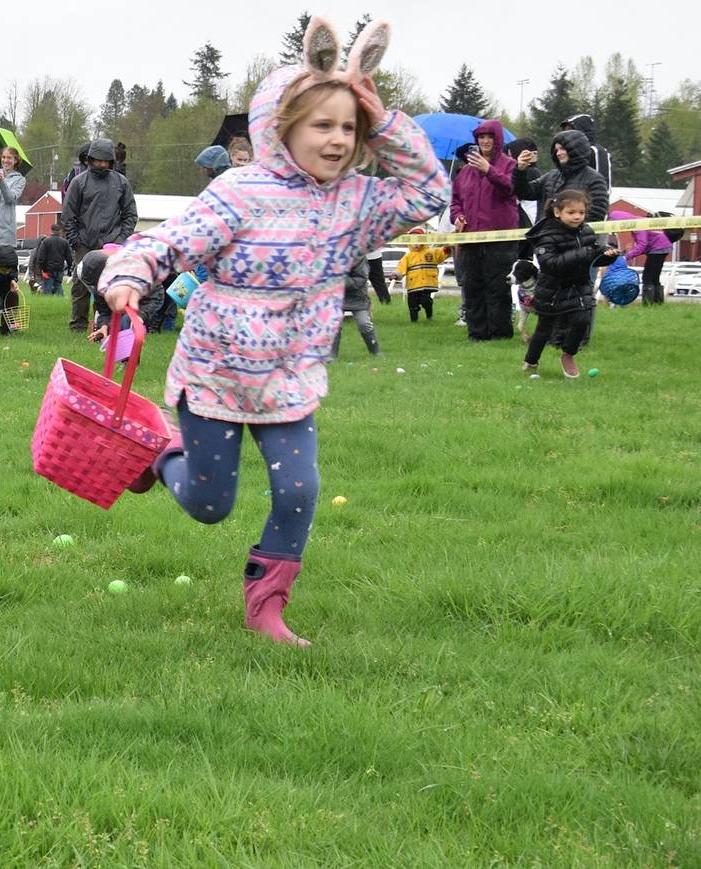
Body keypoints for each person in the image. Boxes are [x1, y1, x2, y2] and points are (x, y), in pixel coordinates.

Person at [98, 19, 447, 646]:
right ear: (281, 129)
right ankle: (159, 450)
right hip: (217, 374)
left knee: (298, 490)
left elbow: (429, 191)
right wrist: (128, 274)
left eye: (349, 127)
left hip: (290, 379)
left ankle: (266, 607)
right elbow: (168, 242)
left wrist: (379, 112)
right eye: (322, 125)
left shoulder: (359, 202)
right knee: (211, 506)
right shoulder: (240, 191)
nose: (338, 139)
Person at [524, 189, 615, 378]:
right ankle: (531, 361)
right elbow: (550, 264)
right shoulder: (546, 234)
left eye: (581, 213)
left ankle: (568, 354)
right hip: (552, 290)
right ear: (557, 212)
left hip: (579, 286)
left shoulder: (587, 231)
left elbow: (592, 257)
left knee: (582, 320)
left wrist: (606, 255)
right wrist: (584, 254)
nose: (577, 217)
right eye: (571, 212)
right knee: (543, 330)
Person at [449, 120, 520, 340]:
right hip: (471, 238)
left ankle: (499, 333)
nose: (485, 141)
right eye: (481, 137)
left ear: (497, 140)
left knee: (497, 287)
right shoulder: (465, 172)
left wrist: (489, 170)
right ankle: (477, 332)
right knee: (473, 286)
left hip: (500, 239)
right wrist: (458, 216)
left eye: (489, 137)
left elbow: (510, 188)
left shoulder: (509, 165)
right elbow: (455, 201)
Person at [63, 138, 137, 331]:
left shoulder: (121, 182)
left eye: (106, 161)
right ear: (90, 159)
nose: (102, 164)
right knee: (80, 285)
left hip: (113, 244)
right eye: (98, 160)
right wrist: (76, 242)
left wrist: (121, 240)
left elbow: (130, 214)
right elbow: (68, 215)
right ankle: (78, 325)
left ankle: (107, 325)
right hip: (84, 243)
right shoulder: (79, 182)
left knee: (110, 285)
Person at [332, 258, 380, 357]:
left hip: (358, 297)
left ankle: (375, 351)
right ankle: (332, 354)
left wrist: (340, 281)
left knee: (364, 323)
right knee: (334, 324)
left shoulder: (359, 256)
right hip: (335, 296)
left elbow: (361, 279)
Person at [398, 229, 448, 321]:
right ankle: (414, 321)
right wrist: (396, 274)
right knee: (412, 305)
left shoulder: (432, 252)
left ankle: (429, 316)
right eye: (413, 241)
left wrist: (447, 247)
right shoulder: (408, 256)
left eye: (418, 241)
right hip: (413, 285)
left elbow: (442, 253)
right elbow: (401, 267)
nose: (416, 244)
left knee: (426, 301)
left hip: (427, 284)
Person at [622, 216, 672, 305]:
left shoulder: (638, 226)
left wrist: (627, 257)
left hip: (657, 249)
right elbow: (644, 246)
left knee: (647, 277)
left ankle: (648, 303)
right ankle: (658, 303)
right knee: (655, 277)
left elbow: (642, 245)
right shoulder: (641, 222)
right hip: (664, 247)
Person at [559, 114, 614, 185]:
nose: (567, 135)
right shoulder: (567, 153)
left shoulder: (596, 151)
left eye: (571, 130)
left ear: (582, 131)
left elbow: (602, 182)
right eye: (566, 131)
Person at [30, 222, 72, 296]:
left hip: (48, 269)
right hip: (59, 268)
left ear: (51, 230)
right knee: (58, 285)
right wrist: (69, 269)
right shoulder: (64, 242)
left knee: (47, 288)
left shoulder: (46, 241)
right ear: (60, 231)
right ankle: (61, 301)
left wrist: (43, 269)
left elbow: (41, 257)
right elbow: (69, 257)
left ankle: (47, 301)